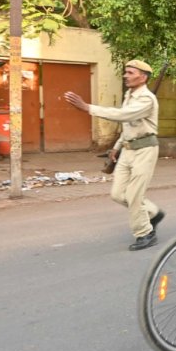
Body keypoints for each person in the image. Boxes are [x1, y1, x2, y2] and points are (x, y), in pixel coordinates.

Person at [64, 60, 164, 251]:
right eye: (125, 72)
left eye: (130, 72)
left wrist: (88, 108)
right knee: (118, 194)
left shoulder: (146, 99)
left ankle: (145, 233)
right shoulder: (130, 95)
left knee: (134, 195)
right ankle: (152, 212)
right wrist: (117, 147)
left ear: (143, 77)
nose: (125, 75)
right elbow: (128, 127)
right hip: (128, 149)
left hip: (145, 150)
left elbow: (122, 116)